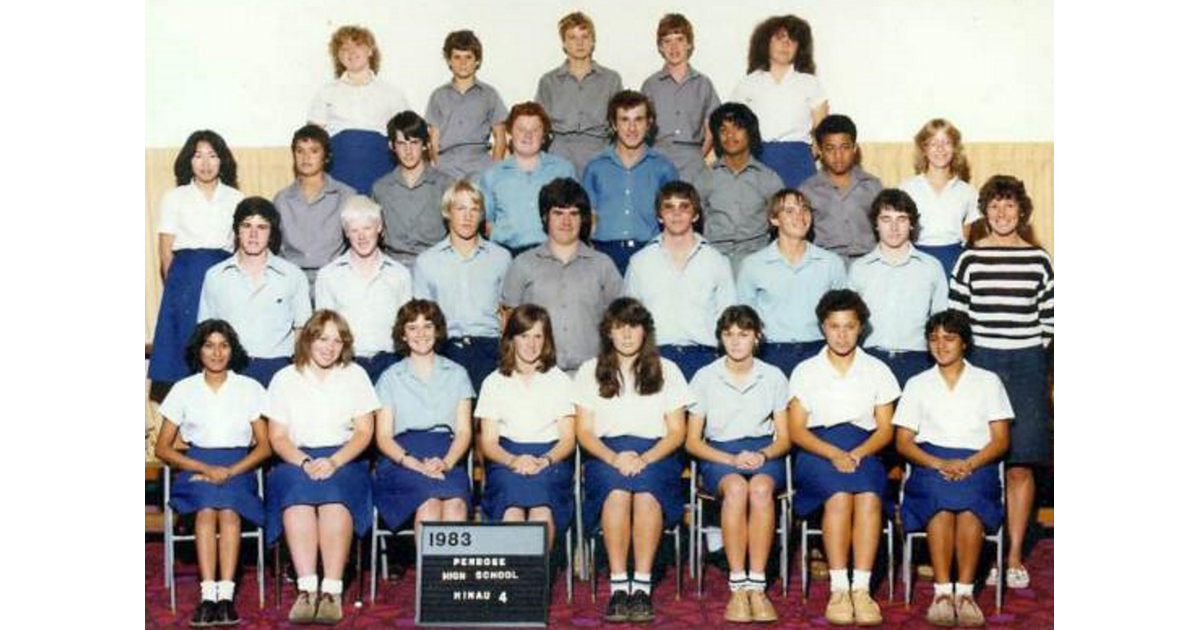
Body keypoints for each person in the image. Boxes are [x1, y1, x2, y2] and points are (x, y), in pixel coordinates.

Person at [949, 175, 1053, 591]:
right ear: (984, 212)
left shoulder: (1039, 260)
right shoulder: (968, 259)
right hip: (981, 364)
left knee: (1020, 465)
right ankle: (984, 554)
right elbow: (957, 320)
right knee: (984, 461)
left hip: (1027, 365)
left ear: (1022, 211)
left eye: (1010, 206)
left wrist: (1028, 352)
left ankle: (1011, 557)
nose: (1002, 213)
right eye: (994, 206)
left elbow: (1051, 319)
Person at [574, 298, 694, 624]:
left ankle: (640, 587)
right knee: (616, 494)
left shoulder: (668, 369)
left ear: (646, 331)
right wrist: (614, 458)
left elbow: (677, 432)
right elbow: (584, 432)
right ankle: (618, 588)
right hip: (606, 453)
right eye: (619, 327)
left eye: (634, 326)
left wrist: (645, 458)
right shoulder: (589, 370)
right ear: (608, 332)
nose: (627, 335)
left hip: (657, 453)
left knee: (645, 495)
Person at [788, 289, 899, 626]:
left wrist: (858, 453)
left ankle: (861, 589)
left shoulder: (877, 369)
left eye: (849, 326)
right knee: (838, 496)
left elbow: (885, 430)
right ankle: (839, 588)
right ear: (823, 327)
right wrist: (834, 453)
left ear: (860, 327)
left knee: (867, 497)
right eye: (834, 326)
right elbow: (797, 430)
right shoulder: (806, 370)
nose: (841, 334)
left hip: (865, 448)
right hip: (818, 450)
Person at [894, 310, 1012, 628]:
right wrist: (938, 463)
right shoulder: (917, 384)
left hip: (979, 460)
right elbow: (903, 442)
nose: (941, 345)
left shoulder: (988, 381)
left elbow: (1000, 440)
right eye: (934, 339)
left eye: (949, 338)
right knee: (940, 501)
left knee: (971, 502)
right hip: (931, 460)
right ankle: (942, 592)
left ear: (964, 343)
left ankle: (966, 593)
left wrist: (970, 463)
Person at [265, 310, 381, 625]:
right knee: (296, 495)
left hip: (344, 458)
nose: (329, 347)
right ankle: (306, 590)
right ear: (308, 339)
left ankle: (331, 590)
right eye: (322, 338)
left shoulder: (355, 375)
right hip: (295, 458)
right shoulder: (284, 378)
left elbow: (364, 432)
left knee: (335, 496)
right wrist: (304, 461)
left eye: (336, 340)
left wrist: (334, 461)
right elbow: (277, 436)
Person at [154, 319, 271, 627]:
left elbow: (264, 447)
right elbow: (163, 448)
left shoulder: (250, 388)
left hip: (239, 466)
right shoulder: (184, 389)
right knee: (206, 511)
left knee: (230, 512)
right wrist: (204, 468)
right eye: (209, 345)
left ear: (233, 350)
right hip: (197, 465)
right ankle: (208, 596)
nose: (217, 353)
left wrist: (230, 470)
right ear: (198, 350)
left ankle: (226, 598)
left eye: (224, 345)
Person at [685, 305, 790, 623]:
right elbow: (692, 441)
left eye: (743, 335)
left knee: (759, 489)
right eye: (728, 335)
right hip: (720, 453)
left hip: (763, 451)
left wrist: (764, 455)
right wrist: (730, 458)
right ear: (720, 338)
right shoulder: (705, 377)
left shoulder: (773, 376)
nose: (735, 341)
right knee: (735, 488)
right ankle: (737, 585)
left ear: (756, 338)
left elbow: (784, 438)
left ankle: (757, 586)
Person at [149, 130, 244, 399]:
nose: (205, 163)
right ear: (188, 161)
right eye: (198, 156)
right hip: (185, 280)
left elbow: (240, 249)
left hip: (222, 274)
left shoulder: (236, 198)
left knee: (221, 348)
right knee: (185, 352)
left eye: (212, 156)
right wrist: (178, 294)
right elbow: (166, 253)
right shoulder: (174, 197)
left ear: (222, 160)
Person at [476, 304, 577, 548]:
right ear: (511, 338)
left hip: (550, 458)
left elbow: (567, 440)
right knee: (512, 511)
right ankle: (517, 584)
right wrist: (513, 461)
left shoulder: (559, 380)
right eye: (524, 336)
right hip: (506, 458)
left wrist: (544, 461)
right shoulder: (494, 382)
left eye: (538, 336)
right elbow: (488, 442)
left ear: (547, 340)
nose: (531, 344)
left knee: (542, 512)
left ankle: (537, 584)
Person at [500, 178, 623, 373]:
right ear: (544, 217)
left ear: (583, 218)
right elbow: (507, 324)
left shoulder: (603, 265)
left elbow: (622, 321)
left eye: (573, 214)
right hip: (539, 375)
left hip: (591, 376)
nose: (566, 221)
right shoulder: (523, 264)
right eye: (558, 213)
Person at [373, 300, 474, 536]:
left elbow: (464, 432)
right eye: (412, 327)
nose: (421, 334)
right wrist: (417, 465)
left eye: (428, 326)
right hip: (402, 459)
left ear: (437, 331)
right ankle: (430, 574)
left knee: (456, 505)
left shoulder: (458, 374)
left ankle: (449, 574)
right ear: (403, 335)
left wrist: (446, 462)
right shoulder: (390, 377)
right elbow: (384, 437)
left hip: (447, 456)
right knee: (429, 503)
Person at [624, 181, 737, 381]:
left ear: (695, 214)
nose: (676, 214)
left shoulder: (717, 261)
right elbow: (629, 321)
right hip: (654, 358)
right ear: (659, 215)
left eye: (684, 207)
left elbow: (728, 319)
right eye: (669, 207)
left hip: (705, 360)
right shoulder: (640, 262)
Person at [198, 197, 312, 388]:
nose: (253, 234)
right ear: (236, 230)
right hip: (231, 370)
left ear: (272, 233)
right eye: (246, 225)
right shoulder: (215, 276)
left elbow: (302, 331)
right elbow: (205, 333)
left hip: (278, 370)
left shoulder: (293, 275)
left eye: (262, 227)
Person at [412, 180, 512, 392]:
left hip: (490, 351)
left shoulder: (501, 258)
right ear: (448, 212)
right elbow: (422, 319)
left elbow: (508, 312)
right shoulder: (426, 261)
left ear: (482, 215)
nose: (468, 216)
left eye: (474, 209)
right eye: (460, 208)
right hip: (446, 350)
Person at [737, 189, 845, 377]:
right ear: (774, 219)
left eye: (805, 209)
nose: (800, 216)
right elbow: (744, 322)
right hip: (770, 354)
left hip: (818, 352)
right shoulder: (753, 265)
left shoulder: (831, 263)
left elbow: (844, 316)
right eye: (789, 211)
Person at [848, 189, 948, 388]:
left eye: (901, 219)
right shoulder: (859, 268)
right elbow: (849, 321)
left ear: (912, 224)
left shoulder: (931, 267)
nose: (894, 227)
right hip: (871, 360)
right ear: (875, 224)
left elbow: (941, 318)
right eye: (886, 219)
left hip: (919, 360)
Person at [314, 195, 413, 383]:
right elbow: (324, 332)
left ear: (379, 228)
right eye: (354, 230)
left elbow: (407, 329)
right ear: (346, 233)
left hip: (391, 364)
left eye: (367, 228)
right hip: (346, 365)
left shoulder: (400, 274)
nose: (362, 236)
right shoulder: (328, 275)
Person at [583, 90, 679, 274]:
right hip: (604, 254)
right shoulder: (595, 168)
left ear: (649, 123)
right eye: (624, 120)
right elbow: (589, 218)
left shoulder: (664, 168)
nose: (632, 128)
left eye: (639, 120)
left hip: (650, 253)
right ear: (613, 124)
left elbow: (673, 219)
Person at [309, 25, 410, 194]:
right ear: (338, 56)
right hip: (338, 173)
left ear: (370, 50)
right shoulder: (326, 93)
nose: (351, 52)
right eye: (344, 48)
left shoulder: (392, 93)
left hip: (381, 171)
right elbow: (313, 138)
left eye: (358, 46)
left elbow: (408, 134)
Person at [730, 15, 828, 189]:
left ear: (800, 47)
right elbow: (735, 127)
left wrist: (806, 154)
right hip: (759, 159)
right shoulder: (747, 83)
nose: (786, 44)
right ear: (766, 42)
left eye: (792, 40)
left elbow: (822, 128)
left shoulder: (810, 83)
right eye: (780, 38)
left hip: (798, 161)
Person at [695, 103, 785, 270]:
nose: (730, 135)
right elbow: (694, 222)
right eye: (723, 130)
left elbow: (781, 225)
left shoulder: (769, 178)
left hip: (757, 260)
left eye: (737, 128)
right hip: (714, 259)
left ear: (750, 132)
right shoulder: (705, 177)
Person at [478, 102, 577, 255]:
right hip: (507, 255)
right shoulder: (492, 175)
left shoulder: (563, 170)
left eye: (535, 130)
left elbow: (576, 217)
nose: (527, 135)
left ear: (544, 135)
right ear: (510, 132)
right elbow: (486, 223)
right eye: (521, 129)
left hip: (552, 255)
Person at [535, 11, 623, 176]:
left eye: (585, 36)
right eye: (573, 37)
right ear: (564, 43)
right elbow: (539, 125)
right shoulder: (549, 81)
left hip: (599, 152)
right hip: (560, 152)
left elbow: (620, 123)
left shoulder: (611, 79)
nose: (579, 43)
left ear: (593, 41)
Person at [639, 13, 721, 185]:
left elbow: (711, 128)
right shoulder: (650, 85)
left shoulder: (703, 84)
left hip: (693, 159)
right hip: (658, 157)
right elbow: (641, 127)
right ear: (660, 47)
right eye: (667, 41)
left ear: (689, 44)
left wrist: (700, 155)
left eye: (680, 39)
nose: (674, 47)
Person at [273, 124, 356, 287]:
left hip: (335, 280)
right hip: (291, 280)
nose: (306, 157)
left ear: (326, 156)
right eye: (300, 151)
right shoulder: (281, 199)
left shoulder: (346, 196)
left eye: (314, 151)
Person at [371, 111, 454, 268]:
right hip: (392, 267)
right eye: (401, 144)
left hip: (436, 264)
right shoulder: (381, 188)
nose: (408, 151)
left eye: (414, 142)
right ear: (391, 146)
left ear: (425, 144)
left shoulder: (445, 185)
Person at [899, 119, 980, 278]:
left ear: (955, 148)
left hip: (954, 261)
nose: (940, 149)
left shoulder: (968, 192)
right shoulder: (906, 188)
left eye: (947, 142)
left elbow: (966, 238)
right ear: (924, 148)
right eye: (933, 143)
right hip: (917, 259)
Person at [800, 114, 883, 268]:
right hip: (825, 266)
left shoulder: (872, 186)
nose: (838, 155)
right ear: (819, 150)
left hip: (868, 264)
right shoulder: (807, 190)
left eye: (844, 147)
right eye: (830, 148)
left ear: (854, 148)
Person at [425, 30, 508, 180]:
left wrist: (494, 172)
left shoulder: (489, 94)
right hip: (447, 167)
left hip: (480, 165)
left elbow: (500, 137)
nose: (462, 63)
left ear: (477, 61)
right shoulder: (438, 96)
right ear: (449, 61)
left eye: (468, 57)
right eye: (457, 57)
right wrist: (439, 166)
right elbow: (433, 141)